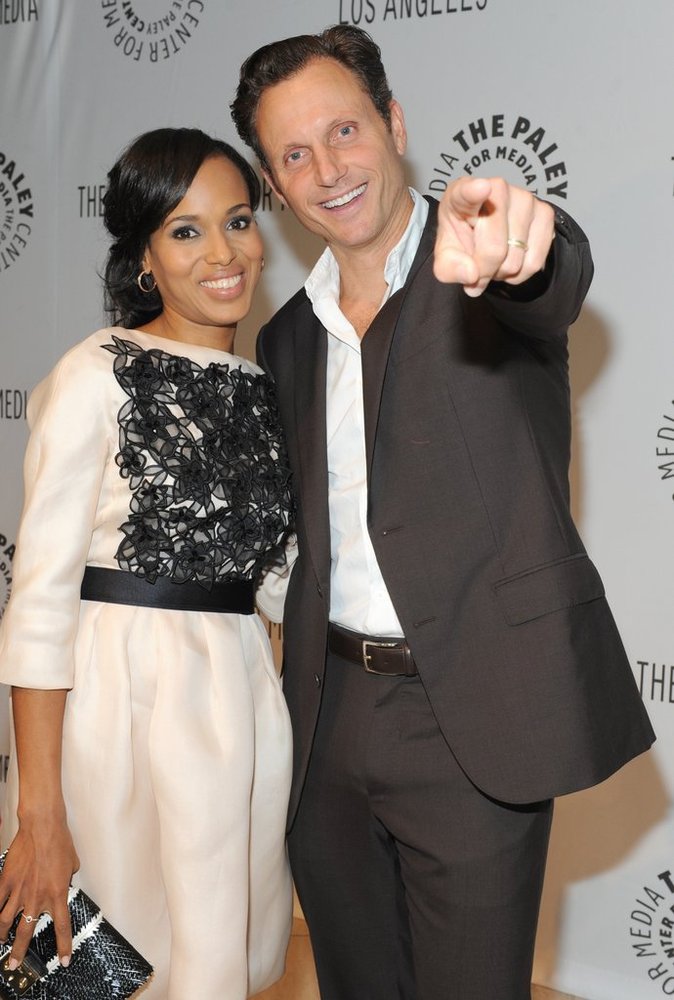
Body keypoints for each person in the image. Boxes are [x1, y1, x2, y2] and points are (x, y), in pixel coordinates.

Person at [231, 25, 656, 1000]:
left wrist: (522, 243)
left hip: (470, 717)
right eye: (293, 154)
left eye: (344, 130)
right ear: (274, 182)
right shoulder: (286, 337)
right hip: (325, 720)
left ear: (393, 123)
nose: (326, 170)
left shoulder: (480, 266)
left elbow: (548, 276)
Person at [0, 127, 295, 1000]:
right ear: (144, 260)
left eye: (237, 220)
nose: (224, 253)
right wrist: (38, 813)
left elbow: (280, 586)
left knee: (218, 962)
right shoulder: (95, 374)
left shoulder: (268, 389)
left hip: (239, 712)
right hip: (118, 710)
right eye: (185, 231)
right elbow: (39, 605)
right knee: (112, 972)